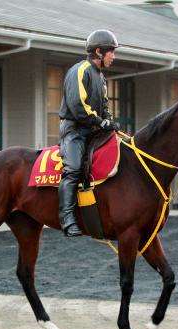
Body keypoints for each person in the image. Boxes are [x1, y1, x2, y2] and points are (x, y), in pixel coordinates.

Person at [58, 29, 120, 237]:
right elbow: (78, 106)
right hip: (75, 130)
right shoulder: (80, 70)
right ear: (99, 51)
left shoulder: (101, 78)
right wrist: (100, 121)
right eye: (112, 52)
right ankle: (67, 219)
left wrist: (110, 122)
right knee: (74, 169)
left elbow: (104, 107)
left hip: (93, 130)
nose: (114, 57)